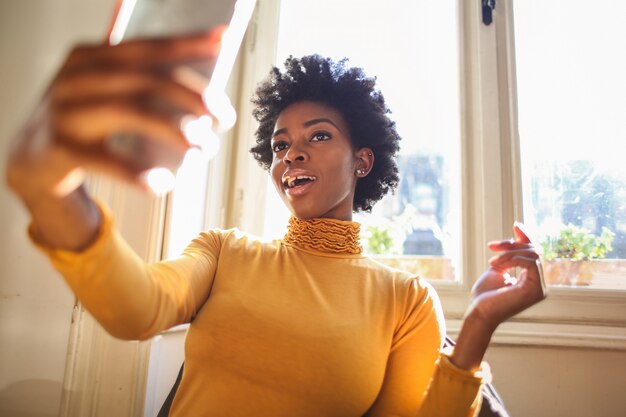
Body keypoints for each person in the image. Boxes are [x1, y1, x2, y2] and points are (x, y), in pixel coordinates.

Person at [6, 33, 546, 417]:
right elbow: (134, 308)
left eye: (318, 136)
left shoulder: (406, 299)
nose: (291, 156)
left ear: (363, 160)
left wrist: (477, 327)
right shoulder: (223, 251)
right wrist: (50, 186)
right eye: (280, 145)